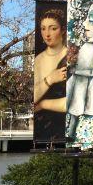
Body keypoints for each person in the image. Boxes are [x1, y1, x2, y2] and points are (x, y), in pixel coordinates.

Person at [66, 0, 93, 150]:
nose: (85, 24)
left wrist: (77, 71)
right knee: (73, 109)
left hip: (87, 85)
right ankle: (72, 133)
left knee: (85, 109)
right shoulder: (85, 45)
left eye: (91, 20)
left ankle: (91, 137)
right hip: (77, 83)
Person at [33, 8, 68, 147]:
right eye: (43, 29)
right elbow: (34, 96)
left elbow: (73, 102)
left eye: (53, 28)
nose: (47, 34)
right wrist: (50, 79)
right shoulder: (39, 59)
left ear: (63, 30)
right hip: (43, 126)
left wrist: (42, 104)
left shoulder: (71, 56)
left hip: (63, 124)